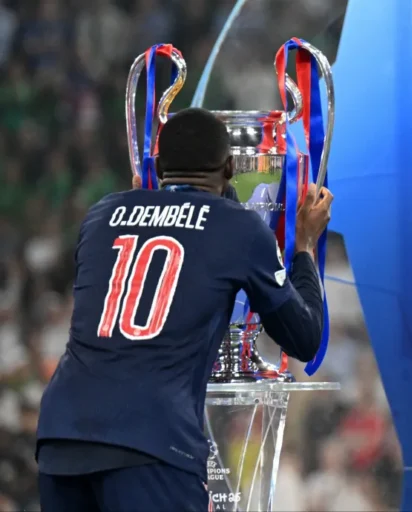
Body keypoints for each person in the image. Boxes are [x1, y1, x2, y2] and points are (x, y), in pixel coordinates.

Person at [35, 107, 333, 511]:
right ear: (231, 168)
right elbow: (304, 339)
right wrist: (305, 248)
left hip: (62, 436)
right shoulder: (239, 228)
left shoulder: (101, 214)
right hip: (152, 440)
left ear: (157, 167)